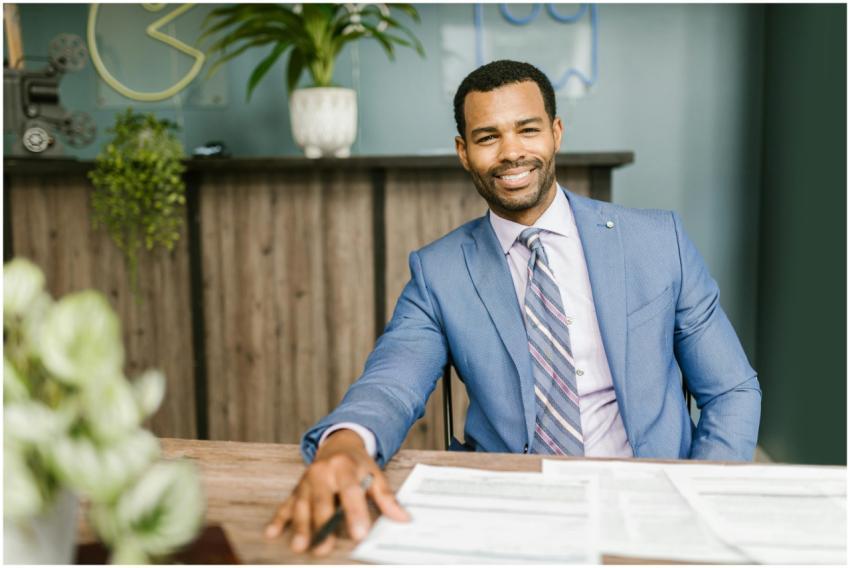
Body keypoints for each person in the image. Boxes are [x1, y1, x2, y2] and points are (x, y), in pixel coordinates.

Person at [264, 60, 761, 554]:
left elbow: (731, 389)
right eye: (487, 137)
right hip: (512, 511)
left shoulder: (658, 241)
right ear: (463, 152)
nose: (512, 153)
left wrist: (697, 499)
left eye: (528, 130)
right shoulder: (439, 272)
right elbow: (392, 381)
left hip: (649, 501)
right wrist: (348, 444)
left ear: (556, 132)